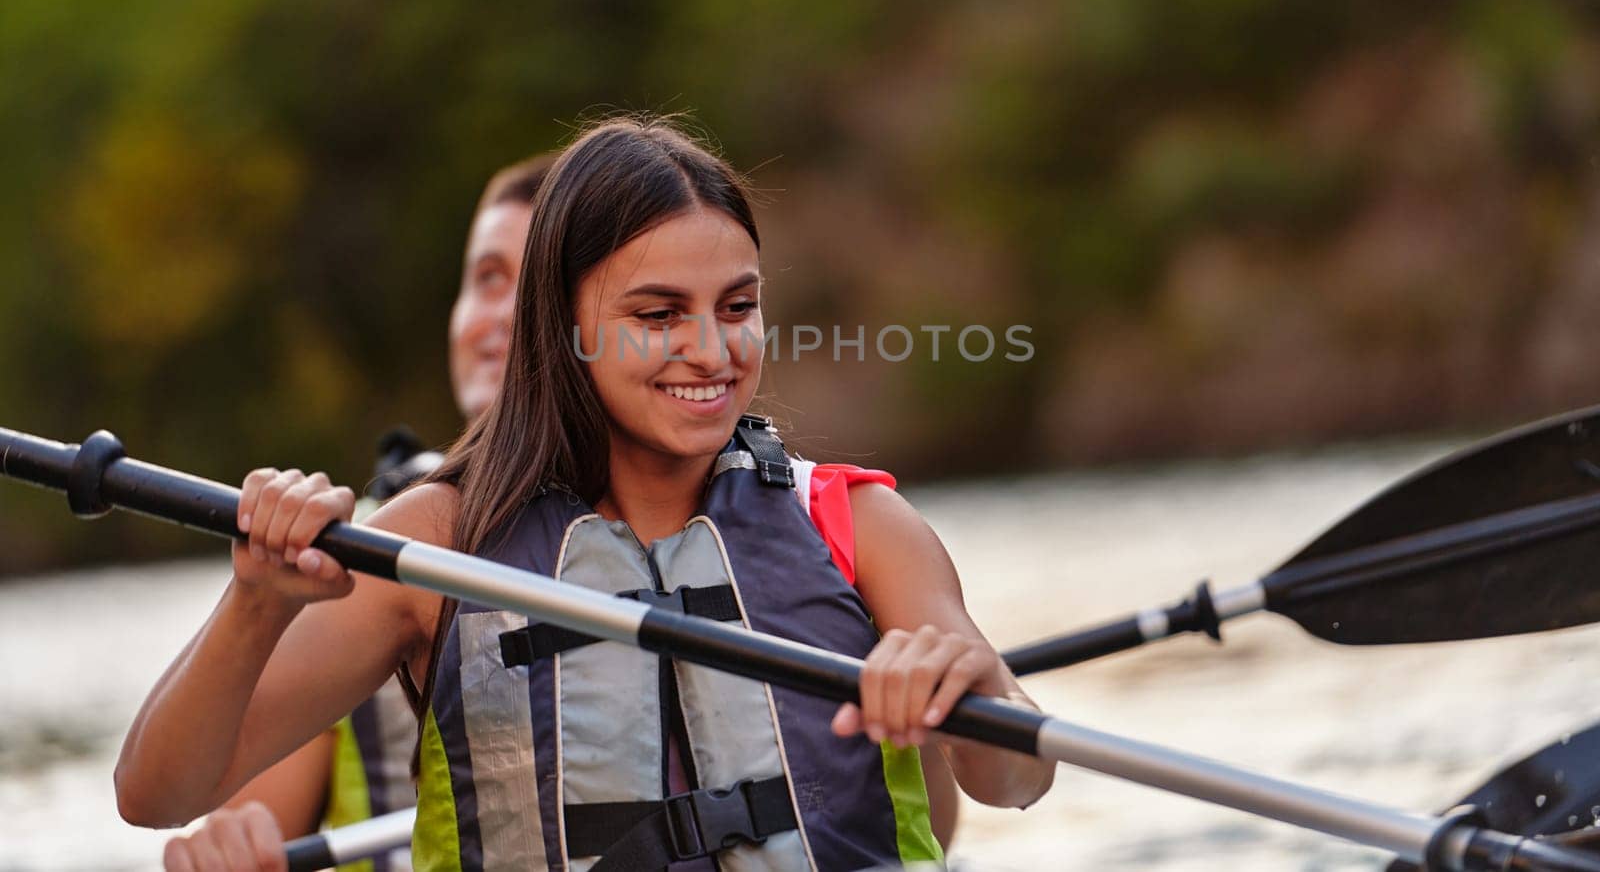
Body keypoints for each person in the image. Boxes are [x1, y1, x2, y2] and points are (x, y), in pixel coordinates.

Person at [118, 116, 1047, 871]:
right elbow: (156, 794)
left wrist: (972, 690)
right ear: (562, 325)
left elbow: (1015, 781)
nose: (713, 351)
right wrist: (255, 602)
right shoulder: (436, 545)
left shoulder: (862, 524)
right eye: (656, 315)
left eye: (737, 306)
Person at [157, 157, 549, 872]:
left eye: (536, 285)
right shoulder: (355, 555)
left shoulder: (676, 526)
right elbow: (179, 794)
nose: (504, 314)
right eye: (486, 278)